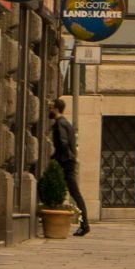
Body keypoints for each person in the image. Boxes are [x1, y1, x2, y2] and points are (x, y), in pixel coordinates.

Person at [50, 97, 90, 235]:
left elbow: (63, 143)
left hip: (66, 162)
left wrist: (57, 159)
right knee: (74, 193)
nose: (49, 110)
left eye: (50, 108)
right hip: (68, 161)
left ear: (56, 109)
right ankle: (84, 224)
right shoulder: (66, 123)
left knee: (75, 193)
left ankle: (85, 224)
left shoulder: (59, 123)